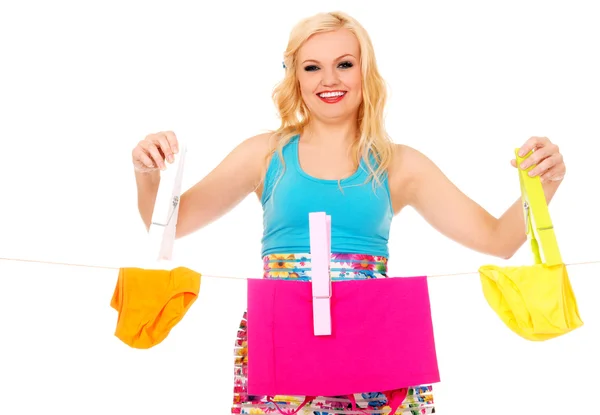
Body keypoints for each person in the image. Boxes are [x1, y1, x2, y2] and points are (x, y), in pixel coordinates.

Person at [130, 10, 566, 415]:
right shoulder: (264, 155)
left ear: (365, 73)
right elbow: (170, 227)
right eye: (312, 67)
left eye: (344, 64)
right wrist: (147, 173)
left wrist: (544, 182)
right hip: (284, 344)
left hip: (374, 345)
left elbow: (498, 240)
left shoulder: (399, 163)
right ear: (295, 78)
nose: (329, 79)